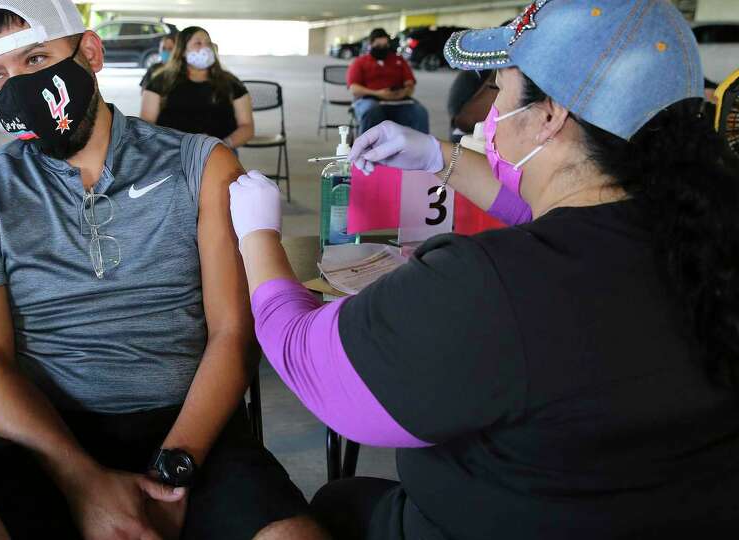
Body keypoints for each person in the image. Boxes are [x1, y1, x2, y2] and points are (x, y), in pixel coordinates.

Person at [228, 1, 739, 539]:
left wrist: (258, 236)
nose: (488, 114)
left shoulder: (492, 285)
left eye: (500, 91)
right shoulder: (702, 235)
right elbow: (551, 215)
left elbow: (314, 363)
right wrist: (438, 158)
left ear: (550, 115)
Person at [0, 2, 323, 540]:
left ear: (90, 52)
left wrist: (173, 472)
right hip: (34, 436)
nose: (19, 87)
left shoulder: (199, 165)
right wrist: (82, 480)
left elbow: (232, 333)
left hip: (185, 423)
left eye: (36, 58)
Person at [141, 26, 254, 150]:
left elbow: (247, 126)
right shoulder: (161, 82)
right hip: (173, 154)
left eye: (208, 43)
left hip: (219, 154)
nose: (205, 48)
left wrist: (223, 146)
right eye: (198, 43)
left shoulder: (230, 83)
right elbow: (146, 124)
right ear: (182, 50)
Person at [347, 28, 429, 135]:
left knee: (419, 112)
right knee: (372, 111)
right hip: (369, 100)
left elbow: (410, 82)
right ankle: (368, 149)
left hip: (398, 100)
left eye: (385, 45)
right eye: (378, 45)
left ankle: (421, 149)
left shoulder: (398, 60)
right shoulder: (359, 62)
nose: (382, 48)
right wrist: (378, 93)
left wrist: (404, 92)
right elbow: (354, 88)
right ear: (371, 44)